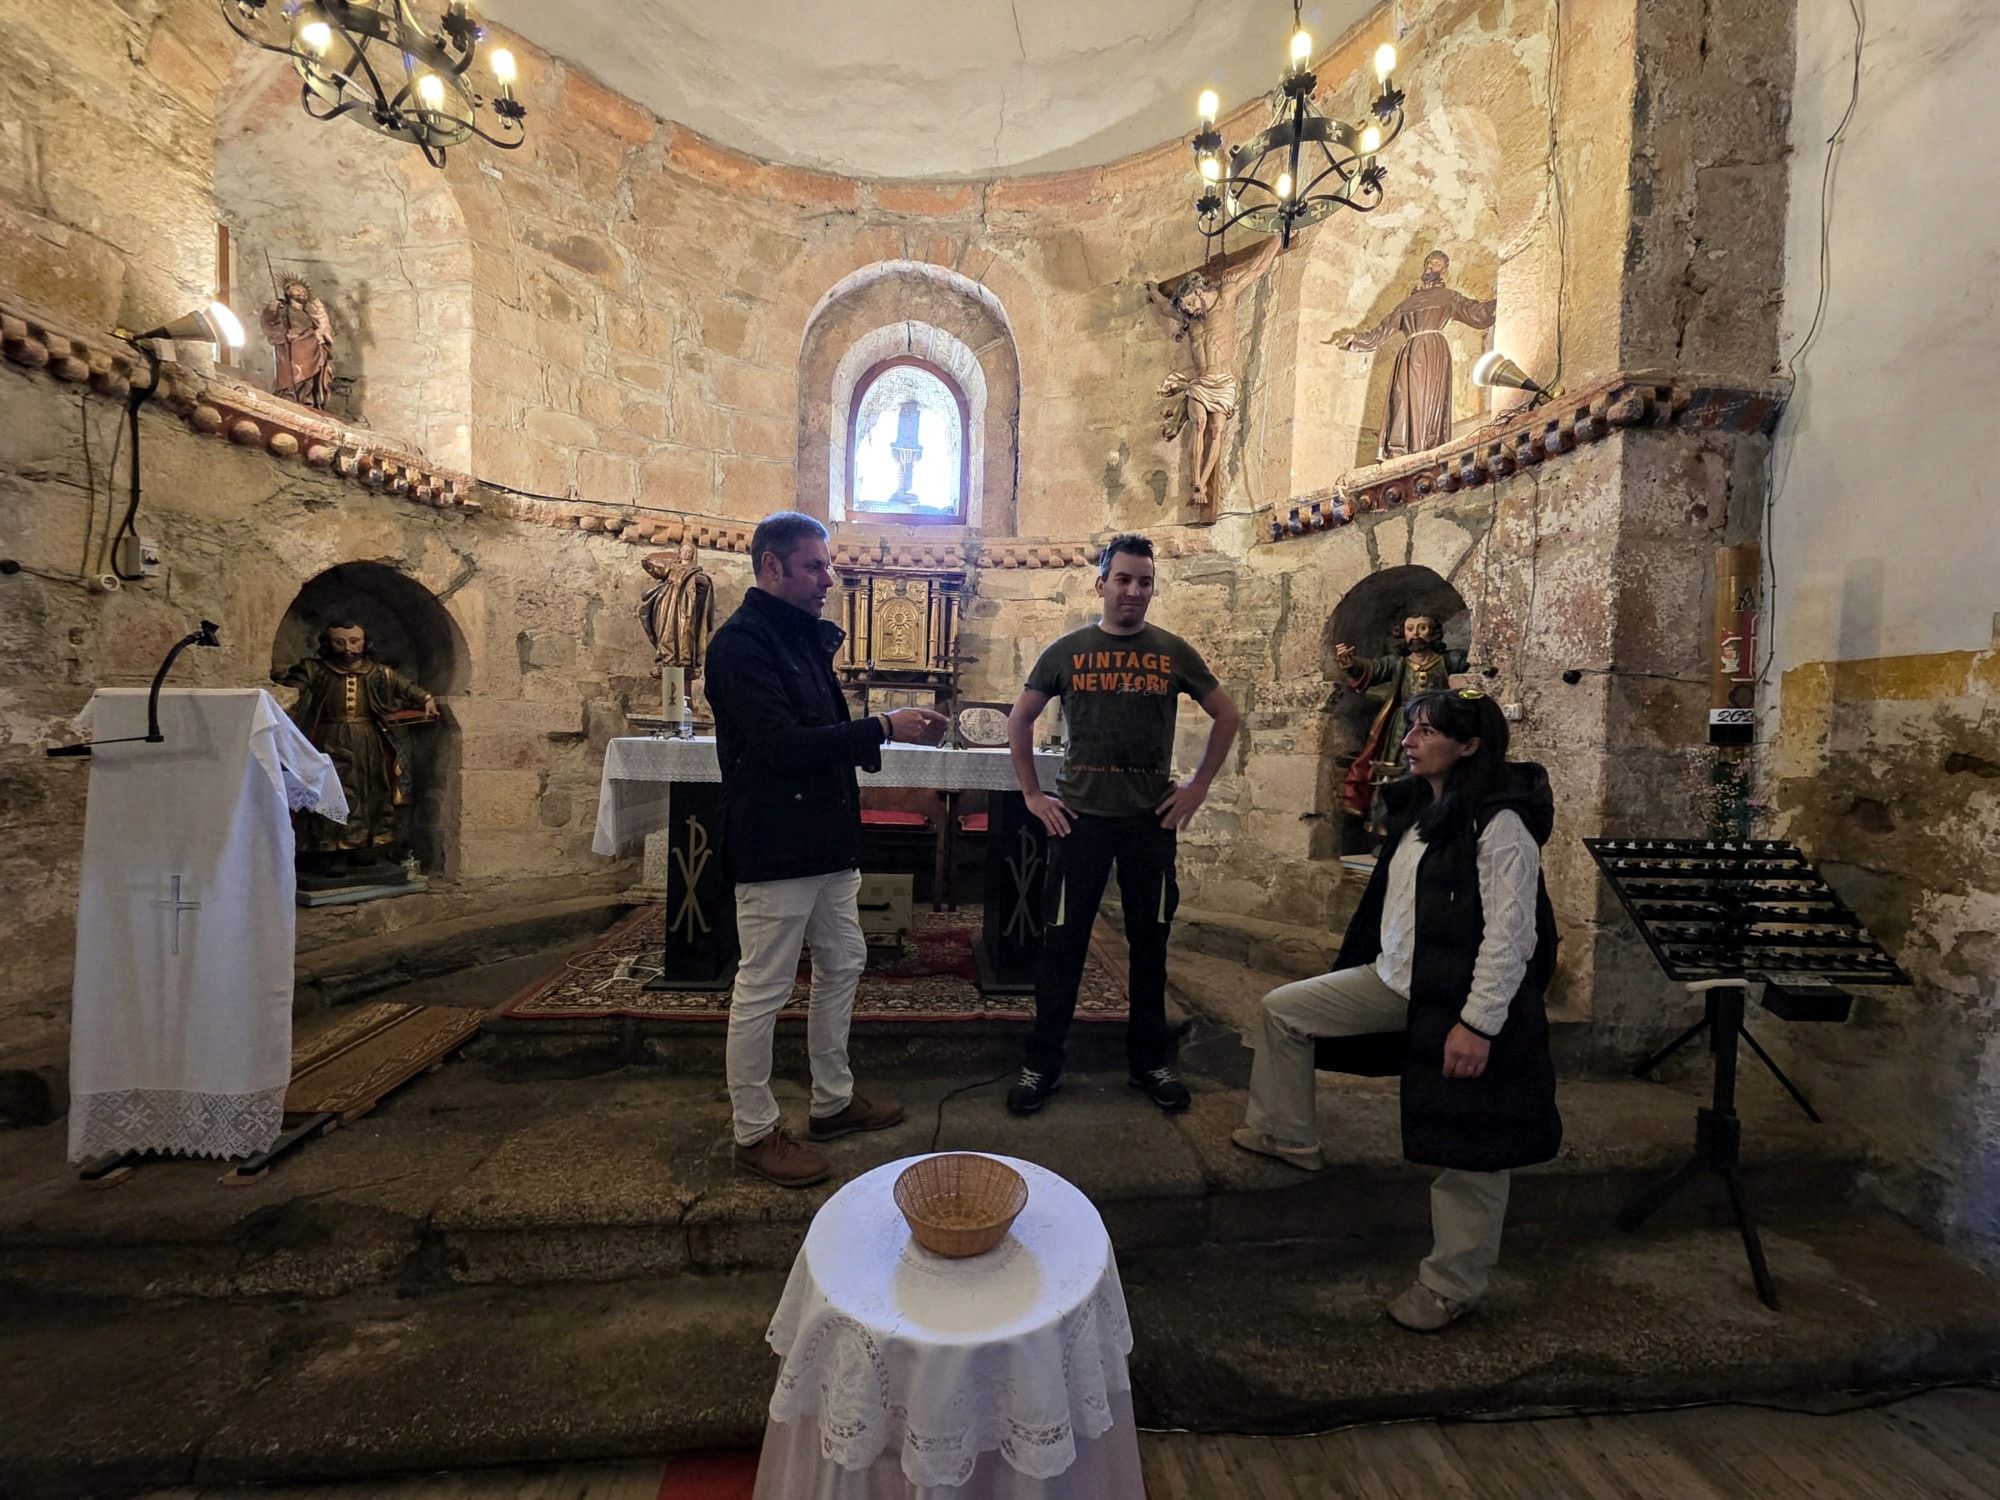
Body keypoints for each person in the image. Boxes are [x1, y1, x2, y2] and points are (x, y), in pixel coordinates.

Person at [1232, 688, 1562, 1332]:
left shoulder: (1501, 825)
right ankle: (1286, 1132)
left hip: (1465, 1003)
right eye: (1411, 728)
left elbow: (1512, 936)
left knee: (1472, 1149)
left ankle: (1450, 1284)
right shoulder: (1423, 810)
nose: (1408, 742)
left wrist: (1477, 1025)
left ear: (1469, 746)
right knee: (1284, 1010)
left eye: (1426, 732)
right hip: (1400, 981)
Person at [703, 511, 947, 1187]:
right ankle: (753, 1131)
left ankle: (832, 1101)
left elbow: (824, 732)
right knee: (765, 985)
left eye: (829, 565)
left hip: (828, 840)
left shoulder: (802, 639)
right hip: (774, 840)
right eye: (814, 566)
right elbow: (779, 746)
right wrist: (885, 725)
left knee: (845, 960)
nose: (828, 578)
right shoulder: (741, 644)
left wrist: (868, 742)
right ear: (771, 566)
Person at [1005, 533, 1241, 1116]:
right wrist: (1033, 795)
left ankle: (1149, 1062)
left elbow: (1226, 713)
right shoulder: (1067, 650)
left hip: (1147, 826)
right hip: (1078, 825)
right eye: (1124, 579)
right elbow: (1020, 720)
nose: (1134, 591)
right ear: (1102, 583)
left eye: (1145, 582)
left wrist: (1198, 787)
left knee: (1150, 945)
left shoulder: (1172, 652)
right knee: (1062, 945)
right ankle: (1043, 1063)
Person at [273, 621, 435, 874]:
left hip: (367, 741)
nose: (348, 648)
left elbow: (409, 689)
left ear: (364, 643)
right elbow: (291, 691)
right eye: (339, 642)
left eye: (354, 641)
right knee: (331, 791)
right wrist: (283, 690)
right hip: (328, 739)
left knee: (369, 792)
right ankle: (329, 849)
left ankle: (364, 847)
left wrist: (426, 699)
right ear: (328, 644)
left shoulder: (379, 673)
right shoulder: (316, 670)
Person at [1147, 234, 1284, 514]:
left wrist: (1280, 235)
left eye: (1188, 304)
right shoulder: (1188, 318)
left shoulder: (1226, 297)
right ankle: (1195, 479)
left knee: (1217, 430)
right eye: (1184, 309)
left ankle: (1204, 483)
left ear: (1196, 292)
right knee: (1198, 425)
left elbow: (1257, 268)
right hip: (1200, 381)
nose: (1188, 311)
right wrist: (1152, 290)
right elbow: (1163, 307)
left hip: (1223, 381)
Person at [1329, 249, 1496, 460]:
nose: (1430, 266)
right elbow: (1382, 331)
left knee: (1429, 397)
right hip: (1409, 353)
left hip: (1433, 351)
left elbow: (1476, 312)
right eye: (1428, 262)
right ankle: (1401, 447)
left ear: (1444, 270)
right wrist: (1355, 339)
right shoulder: (1407, 304)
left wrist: (1501, 299)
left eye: (1436, 263)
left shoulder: (1448, 296)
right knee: (1402, 399)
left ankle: (1427, 445)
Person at [1334, 612, 1469, 836]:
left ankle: (1434, 826)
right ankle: (1389, 828)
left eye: (1422, 628)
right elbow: (1371, 670)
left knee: (1439, 773)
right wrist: (1350, 664)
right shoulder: (1398, 663)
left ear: (1434, 632)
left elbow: (1474, 667)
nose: (1415, 634)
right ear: (1403, 634)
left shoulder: (1447, 661)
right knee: (1393, 773)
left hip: (1437, 724)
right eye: (1410, 629)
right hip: (1401, 726)